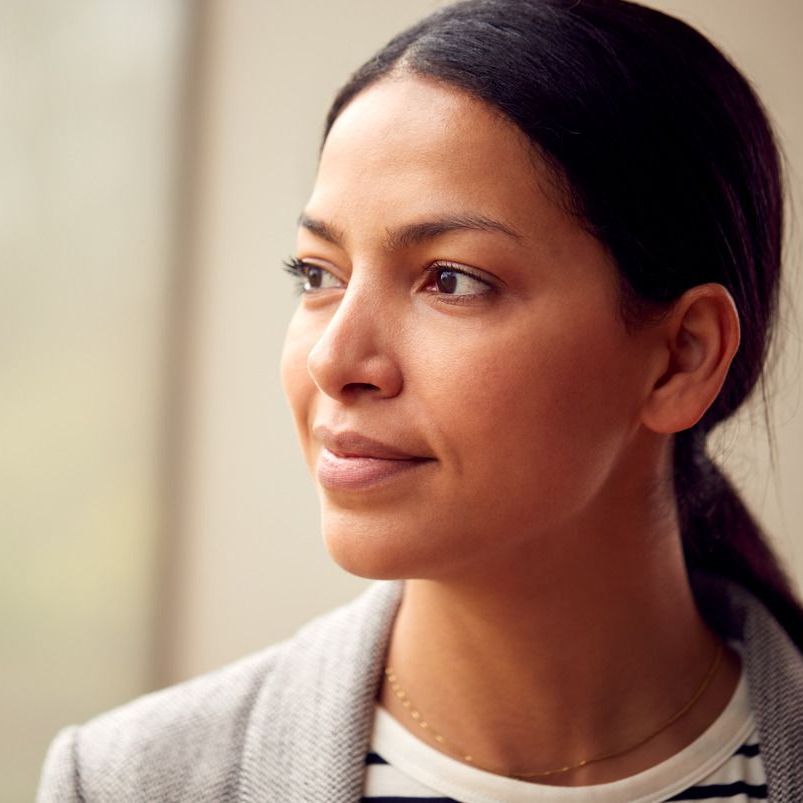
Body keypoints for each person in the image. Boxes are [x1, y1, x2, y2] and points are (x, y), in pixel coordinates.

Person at [38, 0, 803, 800]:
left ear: (680, 357)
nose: (336, 359)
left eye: (450, 280)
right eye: (317, 274)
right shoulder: (126, 781)